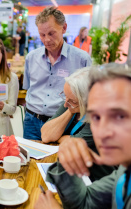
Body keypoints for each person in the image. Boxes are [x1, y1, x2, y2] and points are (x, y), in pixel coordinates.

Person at [34, 63, 131, 209]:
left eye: (119, 115)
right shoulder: (123, 172)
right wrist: (66, 164)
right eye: (96, 117)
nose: (102, 131)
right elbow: (83, 202)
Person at [23, 6, 92, 140]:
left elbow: (88, 96)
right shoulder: (31, 58)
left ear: (64, 28)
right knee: (29, 160)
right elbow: (27, 88)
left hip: (63, 122)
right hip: (31, 121)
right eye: (42, 35)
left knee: (56, 160)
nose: (46, 40)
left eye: (51, 33)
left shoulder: (82, 59)